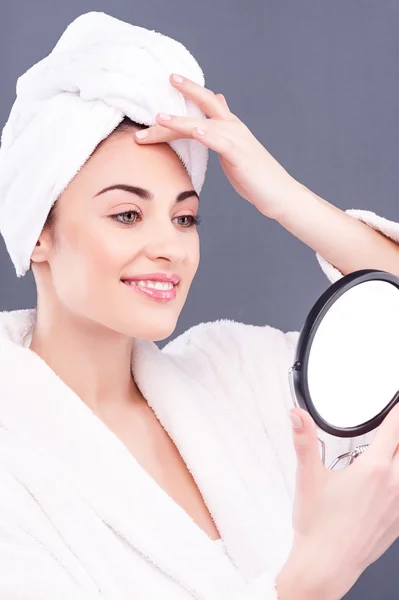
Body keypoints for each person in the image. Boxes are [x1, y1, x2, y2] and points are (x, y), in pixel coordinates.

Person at [1, 10, 399, 600]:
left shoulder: (233, 374)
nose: (170, 248)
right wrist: (311, 581)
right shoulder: (16, 460)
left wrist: (285, 198)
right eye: (127, 214)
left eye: (185, 217)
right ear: (39, 232)